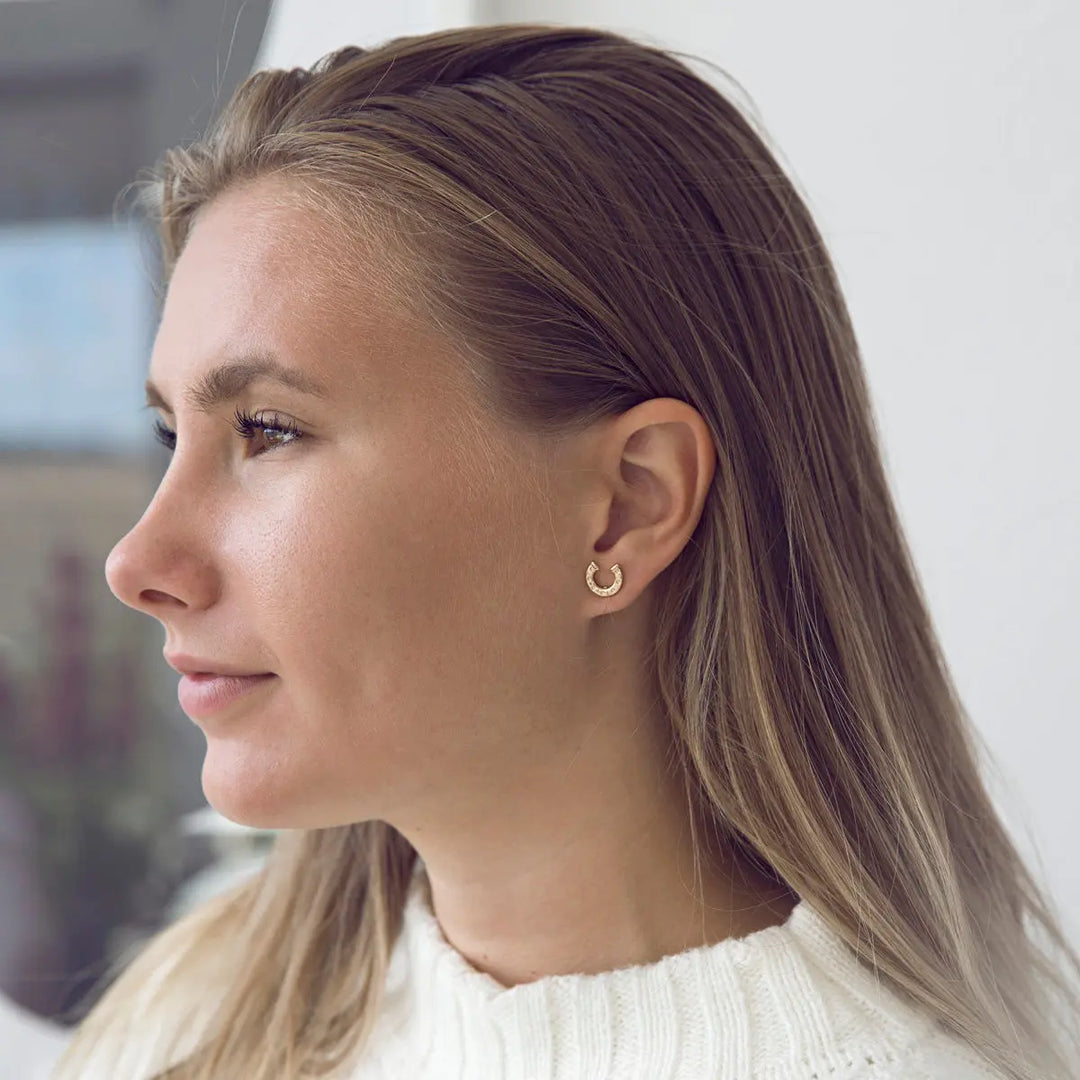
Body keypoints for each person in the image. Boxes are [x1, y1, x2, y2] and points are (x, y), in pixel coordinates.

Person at [50, 23, 1079, 1080]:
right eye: (170, 435)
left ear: (627, 506)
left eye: (268, 430)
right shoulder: (184, 1027)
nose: (138, 563)